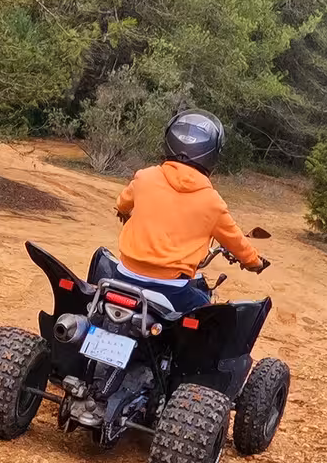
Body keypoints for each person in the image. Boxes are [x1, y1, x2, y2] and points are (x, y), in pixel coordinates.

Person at [113, 110, 267, 313]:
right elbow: (236, 241)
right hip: (171, 289)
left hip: (124, 275)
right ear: (212, 153)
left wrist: (124, 212)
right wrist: (254, 262)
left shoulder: (145, 177)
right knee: (209, 319)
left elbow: (122, 203)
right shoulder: (212, 203)